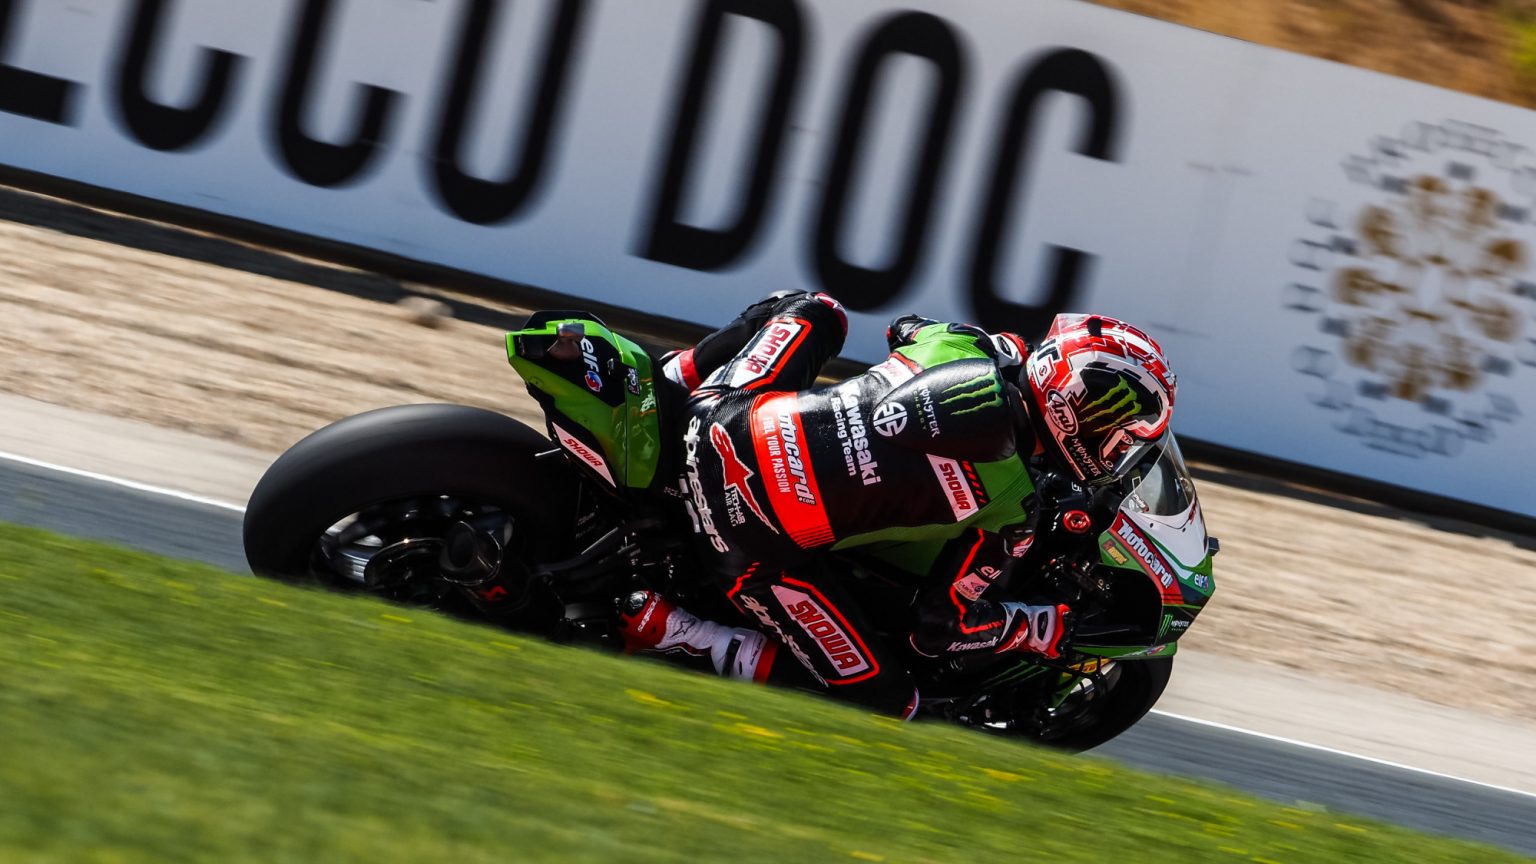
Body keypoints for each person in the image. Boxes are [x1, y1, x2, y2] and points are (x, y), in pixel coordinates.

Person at [616, 291, 1177, 717]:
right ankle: (687, 635)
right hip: (746, 545)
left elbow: (903, 326)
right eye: (1121, 435)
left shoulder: (958, 344)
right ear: (1079, 413)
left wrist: (1003, 349)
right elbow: (939, 631)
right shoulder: (1015, 508)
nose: (1119, 450)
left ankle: (670, 380)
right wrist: (1032, 627)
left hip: (716, 416)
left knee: (817, 309)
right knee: (891, 702)